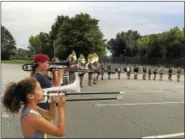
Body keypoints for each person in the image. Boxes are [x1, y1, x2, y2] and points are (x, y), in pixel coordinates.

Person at [1, 77, 66, 138]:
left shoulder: (33, 109)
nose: (43, 91)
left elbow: (51, 116)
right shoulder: (31, 117)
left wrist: (52, 103)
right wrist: (61, 108)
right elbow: (60, 132)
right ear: (31, 96)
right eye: (39, 89)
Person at [31, 54, 64, 138]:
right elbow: (56, 89)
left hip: (45, 107)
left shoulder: (43, 75)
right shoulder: (39, 77)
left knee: (45, 133)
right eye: (46, 62)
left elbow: (53, 83)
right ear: (39, 63)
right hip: (43, 108)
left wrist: (53, 73)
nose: (48, 64)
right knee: (44, 134)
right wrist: (60, 74)